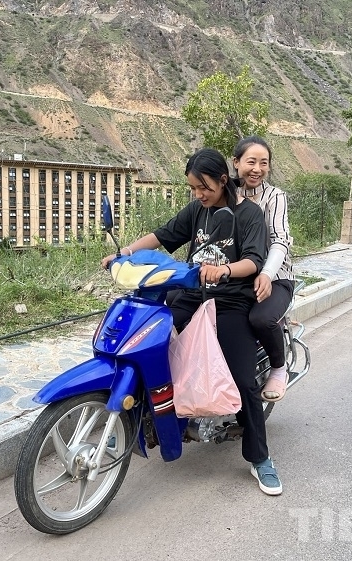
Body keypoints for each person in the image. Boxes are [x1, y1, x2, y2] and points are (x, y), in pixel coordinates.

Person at [101, 148, 283, 496]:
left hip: (230, 301)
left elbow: (253, 261)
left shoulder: (248, 214)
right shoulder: (198, 210)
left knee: (243, 380)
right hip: (190, 293)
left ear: (223, 180)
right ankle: (139, 418)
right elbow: (163, 235)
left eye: (204, 187)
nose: (199, 194)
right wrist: (124, 253)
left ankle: (260, 458)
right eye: (193, 188)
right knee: (148, 340)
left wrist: (224, 269)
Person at [232, 136, 296, 403]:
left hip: (276, 276)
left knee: (260, 319)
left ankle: (279, 367)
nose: (257, 169)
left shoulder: (274, 197)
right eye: (251, 162)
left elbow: (280, 240)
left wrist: (267, 274)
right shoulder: (226, 194)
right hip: (236, 276)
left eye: (264, 163)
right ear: (236, 163)